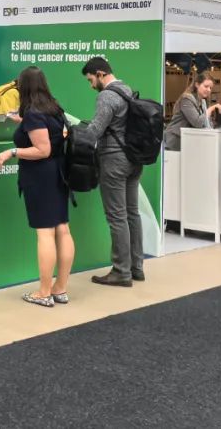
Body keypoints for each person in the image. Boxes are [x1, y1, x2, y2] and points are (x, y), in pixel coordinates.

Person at [0, 67, 73, 306]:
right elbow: (53, 135)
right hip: (59, 173)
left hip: (41, 177)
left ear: (24, 87)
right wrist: (22, 122)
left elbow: (42, 150)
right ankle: (60, 289)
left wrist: (12, 151)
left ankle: (44, 292)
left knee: (45, 232)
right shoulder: (54, 108)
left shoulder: (34, 113)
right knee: (63, 230)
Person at [79, 57, 143, 287]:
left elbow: (95, 131)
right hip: (134, 159)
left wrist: (75, 133)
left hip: (114, 160)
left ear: (100, 74)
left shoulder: (106, 96)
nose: (91, 85)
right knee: (132, 214)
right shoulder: (127, 90)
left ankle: (121, 271)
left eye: (91, 80)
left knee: (117, 217)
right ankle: (136, 267)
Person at [164, 73, 221, 151]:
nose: (209, 90)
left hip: (188, 141)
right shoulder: (186, 99)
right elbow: (197, 122)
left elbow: (205, 123)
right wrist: (211, 109)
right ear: (197, 84)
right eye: (206, 86)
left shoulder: (202, 101)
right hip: (176, 141)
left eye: (210, 88)